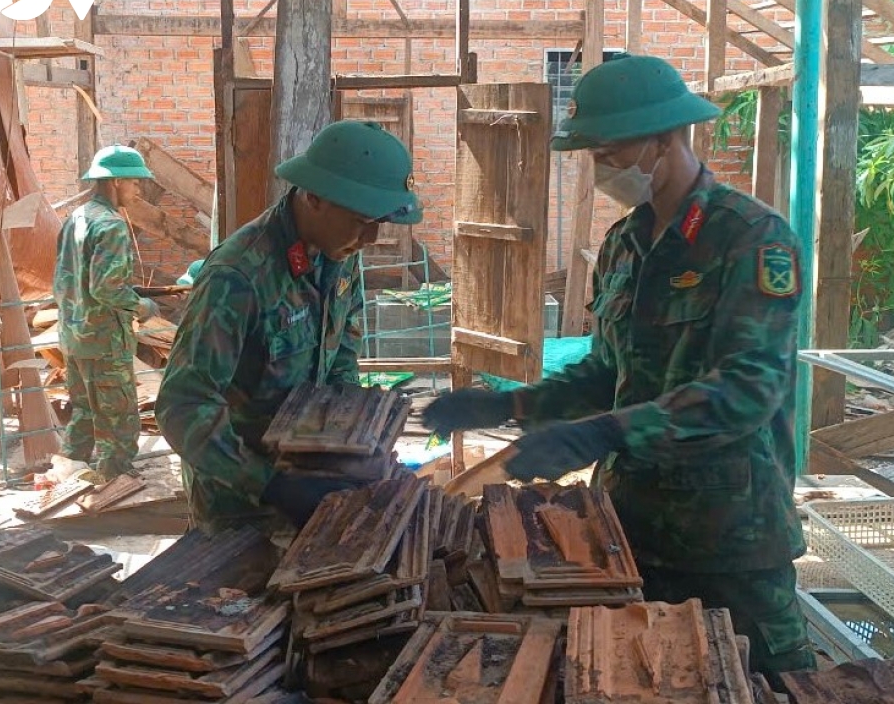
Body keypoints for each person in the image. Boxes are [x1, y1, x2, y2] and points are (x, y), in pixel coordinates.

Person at [423, 53, 815, 685]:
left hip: (729, 535)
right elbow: (607, 371)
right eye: (594, 153)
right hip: (628, 525)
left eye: (610, 150)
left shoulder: (750, 239)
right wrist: (510, 407)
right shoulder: (625, 245)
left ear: (665, 137)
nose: (601, 166)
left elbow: (747, 391)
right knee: (641, 680)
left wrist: (604, 432)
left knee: (771, 685)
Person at [156, 120, 423, 535]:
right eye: (361, 220)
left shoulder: (340, 253)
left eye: (380, 222)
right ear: (314, 197)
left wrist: (348, 441)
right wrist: (272, 485)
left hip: (312, 484)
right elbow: (181, 406)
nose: (371, 237)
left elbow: (341, 355)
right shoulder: (237, 276)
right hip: (239, 506)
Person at [53, 145, 159, 482]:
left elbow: (66, 278)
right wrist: (141, 306)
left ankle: (70, 472)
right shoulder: (111, 225)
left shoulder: (77, 217)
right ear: (115, 182)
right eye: (135, 182)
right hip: (104, 340)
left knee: (83, 410)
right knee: (118, 417)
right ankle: (116, 483)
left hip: (73, 334)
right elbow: (106, 289)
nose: (138, 189)